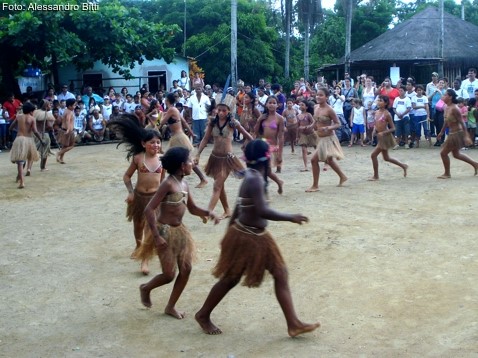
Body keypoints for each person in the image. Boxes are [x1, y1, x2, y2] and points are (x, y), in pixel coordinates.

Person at [195, 139, 320, 337]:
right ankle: (203, 314)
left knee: (280, 273)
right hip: (247, 236)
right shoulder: (254, 179)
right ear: (265, 159)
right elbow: (262, 210)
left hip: (255, 234)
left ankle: (294, 324)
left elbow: (239, 205)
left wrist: (229, 230)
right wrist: (291, 217)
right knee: (230, 278)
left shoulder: (253, 176)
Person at [137, 146, 219, 317]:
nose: (192, 164)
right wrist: (157, 236)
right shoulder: (167, 184)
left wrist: (208, 213)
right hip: (164, 232)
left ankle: (170, 306)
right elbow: (149, 209)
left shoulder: (184, 184)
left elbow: (193, 208)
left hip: (180, 232)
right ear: (182, 166)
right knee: (168, 275)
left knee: (186, 269)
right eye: (190, 161)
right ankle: (146, 288)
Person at [107, 114, 165, 274]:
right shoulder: (138, 158)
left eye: (158, 142)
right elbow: (126, 177)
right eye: (152, 142)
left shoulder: (163, 159)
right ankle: (138, 245)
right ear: (143, 144)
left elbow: (163, 180)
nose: (156, 145)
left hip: (154, 200)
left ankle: (144, 260)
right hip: (139, 197)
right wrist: (131, 192)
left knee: (149, 228)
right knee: (138, 226)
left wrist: (163, 196)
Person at [195, 103, 252, 219]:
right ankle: (227, 210)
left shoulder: (233, 123)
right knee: (220, 186)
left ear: (229, 111)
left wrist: (256, 146)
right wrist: (197, 154)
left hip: (227, 159)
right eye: (219, 110)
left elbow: (247, 135)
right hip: (215, 158)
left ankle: (208, 212)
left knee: (217, 186)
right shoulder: (213, 122)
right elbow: (205, 138)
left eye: (224, 110)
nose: (221, 113)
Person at [160, 93, 208, 188]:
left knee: (181, 158)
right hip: (177, 137)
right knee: (174, 158)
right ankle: (167, 180)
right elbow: (184, 122)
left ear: (167, 100)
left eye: (165, 99)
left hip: (178, 138)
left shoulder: (171, 110)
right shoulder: (174, 110)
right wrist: (191, 133)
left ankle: (203, 178)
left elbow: (161, 123)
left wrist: (160, 116)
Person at [306, 87, 347, 192]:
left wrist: (328, 127)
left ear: (327, 97)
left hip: (328, 138)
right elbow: (316, 120)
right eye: (317, 95)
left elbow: (338, 124)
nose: (318, 97)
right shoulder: (316, 107)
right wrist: (311, 126)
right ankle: (342, 176)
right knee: (329, 160)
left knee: (314, 160)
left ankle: (315, 185)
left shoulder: (329, 109)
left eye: (321, 95)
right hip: (319, 137)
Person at [437, 89, 478, 179]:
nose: (443, 96)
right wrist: (441, 132)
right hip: (452, 133)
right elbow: (446, 121)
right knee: (456, 154)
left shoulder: (455, 108)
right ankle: (475, 164)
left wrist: (466, 136)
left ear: (450, 97)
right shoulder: (446, 107)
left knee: (443, 153)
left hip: (456, 134)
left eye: (445, 95)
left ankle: (447, 173)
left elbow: (462, 122)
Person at [368, 95, 408, 181]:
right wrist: (374, 130)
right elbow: (376, 123)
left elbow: (393, 128)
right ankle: (403, 166)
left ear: (385, 103)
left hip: (385, 137)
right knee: (386, 158)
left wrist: (383, 132)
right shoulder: (376, 112)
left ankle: (376, 176)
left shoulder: (387, 114)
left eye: (381, 101)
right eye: (378, 100)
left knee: (373, 155)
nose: (378, 102)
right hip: (380, 136)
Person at [254, 96, 284, 193]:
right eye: (269, 102)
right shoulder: (263, 117)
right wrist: (259, 121)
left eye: (274, 103)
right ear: (266, 104)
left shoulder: (280, 118)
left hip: (272, 147)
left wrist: (280, 154)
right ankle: (278, 182)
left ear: (277, 105)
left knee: (265, 170)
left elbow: (281, 137)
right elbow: (256, 131)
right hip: (262, 146)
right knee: (265, 170)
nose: (271, 104)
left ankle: (265, 188)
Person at [8, 102, 43, 188]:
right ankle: (22, 179)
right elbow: (35, 131)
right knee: (26, 158)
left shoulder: (18, 117)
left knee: (20, 161)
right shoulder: (32, 118)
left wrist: (17, 129)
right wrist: (41, 140)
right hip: (29, 140)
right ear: (31, 111)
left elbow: (11, 127)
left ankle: (20, 180)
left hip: (19, 139)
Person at [29, 100, 55, 173]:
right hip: (44, 134)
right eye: (49, 105)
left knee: (33, 150)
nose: (50, 106)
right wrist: (51, 126)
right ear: (45, 106)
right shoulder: (46, 114)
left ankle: (29, 168)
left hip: (35, 134)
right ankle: (42, 167)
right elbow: (49, 126)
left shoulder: (35, 112)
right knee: (45, 152)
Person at [297, 99, 318, 172]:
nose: (300, 106)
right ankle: (306, 166)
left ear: (306, 107)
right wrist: (297, 136)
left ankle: (326, 161)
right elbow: (298, 126)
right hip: (303, 134)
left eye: (302, 105)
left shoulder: (308, 115)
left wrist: (308, 127)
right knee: (303, 149)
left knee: (317, 147)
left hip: (311, 133)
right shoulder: (298, 116)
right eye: (300, 105)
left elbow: (313, 123)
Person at [56, 98, 77, 164]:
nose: (75, 106)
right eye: (74, 105)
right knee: (72, 145)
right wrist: (68, 129)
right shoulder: (69, 112)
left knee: (65, 146)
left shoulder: (67, 110)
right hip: (67, 130)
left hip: (66, 130)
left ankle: (61, 158)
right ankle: (59, 153)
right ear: (70, 106)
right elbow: (67, 120)